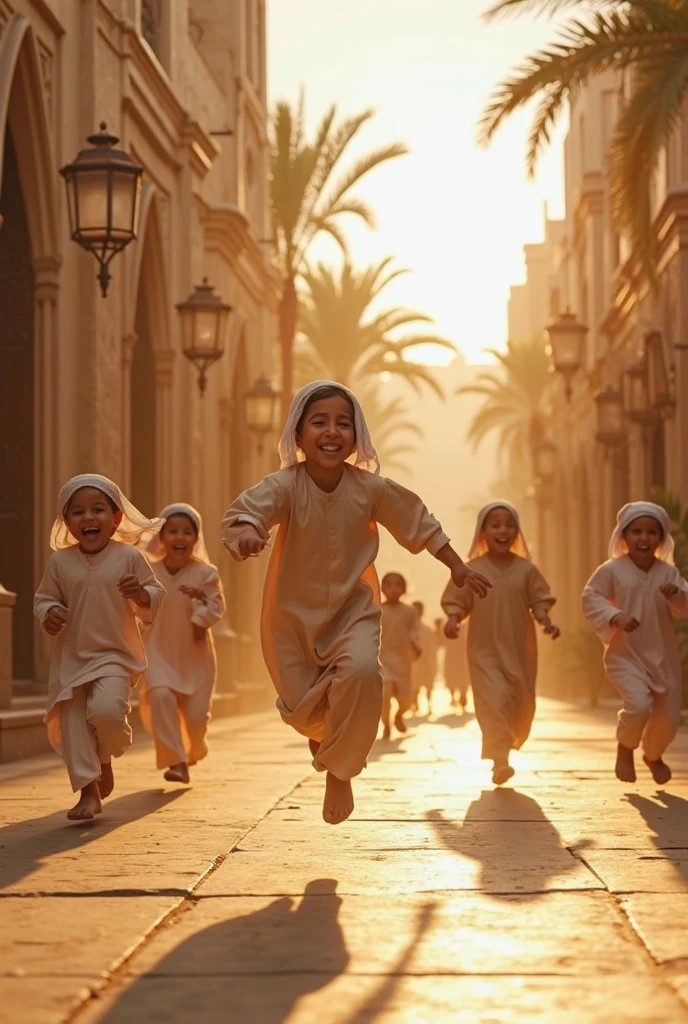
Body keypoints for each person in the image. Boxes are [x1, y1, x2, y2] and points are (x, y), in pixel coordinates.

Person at [221, 380, 491, 825]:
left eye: (343, 424)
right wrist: (249, 531)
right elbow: (248, 510)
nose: (331, 432)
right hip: (290, 620)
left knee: (365, 674)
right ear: (298, 435)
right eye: (319, 422)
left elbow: (418, 522)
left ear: (357, 436)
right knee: (302, 706)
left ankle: (341, 771)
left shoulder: (372, 490)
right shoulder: (284, 485)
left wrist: (456, 566)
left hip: (355, 614)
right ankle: (328, 740)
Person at [33, 474, 165, 821]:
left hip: (115, 655)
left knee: (106, 714)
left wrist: (140, 594)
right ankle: (88, 793)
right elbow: (44, 599)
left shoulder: (129, 557)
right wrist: (49, 614)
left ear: (116, 518)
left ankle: (105, 755)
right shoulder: (60, 562)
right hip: (71, 659)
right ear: (66, 522)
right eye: (77, 512)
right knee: (74, 724)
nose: (88, 517)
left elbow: (155, 594)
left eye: (98, 510)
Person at [441, 501, 559, 785]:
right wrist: (453, 619)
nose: (502, 530)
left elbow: (539, 601)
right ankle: (500, 760)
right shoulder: (472, 570)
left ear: (516, 532)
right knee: (493, 702)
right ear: (482, 532)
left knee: (521, 704)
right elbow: (457, 600)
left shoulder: (527, 570)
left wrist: (546, 621)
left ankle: (505, 747)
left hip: (520, 652)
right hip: (483, 652)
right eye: (494, 524)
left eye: (509, 524)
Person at [582, 501, 688, 785]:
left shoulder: (669, 574)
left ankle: (653, 755)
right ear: (623, 536)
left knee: (668, 720)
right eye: (637, 531)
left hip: (663, 657)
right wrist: (616, 617)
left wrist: (676, 595)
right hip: (625, 655)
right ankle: (625, 747)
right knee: (638, 705)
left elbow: (685, 606)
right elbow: (591, 597)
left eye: (652, 532)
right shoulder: (611, 570)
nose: (644, 538)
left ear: (662, 538)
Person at [138, 504, 226, 784]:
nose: (180, 537)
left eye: (187, 532)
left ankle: (195, 746)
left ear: (196, 538)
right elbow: (134, 605)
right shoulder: (147, 571)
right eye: (173, 531)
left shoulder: (206, 573)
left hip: (194, 655)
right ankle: (176, 762)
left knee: (196, 717)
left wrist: (199, 608)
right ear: (161, 538)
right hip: (157, 649)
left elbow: (217, 605)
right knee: (161, 695)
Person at [379, 573, 421, 739]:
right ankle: (386, 725)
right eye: (389, 585)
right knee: (385, 695)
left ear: (404, 589)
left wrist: (415, 644)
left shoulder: (409, 611)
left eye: (398, 585)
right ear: (382, 588)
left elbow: (414, 630)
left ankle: (399, 715)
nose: (394, 589)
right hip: (383, 659)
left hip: (403, 660)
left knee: (406, 698)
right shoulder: (378, 609)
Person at [411, 600, 438, 716]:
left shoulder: (428, 630)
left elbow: (432, 648)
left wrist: (433, 663)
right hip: (413, 662)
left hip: (426, 662)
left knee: (428, 686)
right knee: (414, 685)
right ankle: (415, 703)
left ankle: (428, 704)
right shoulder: (409, 629)